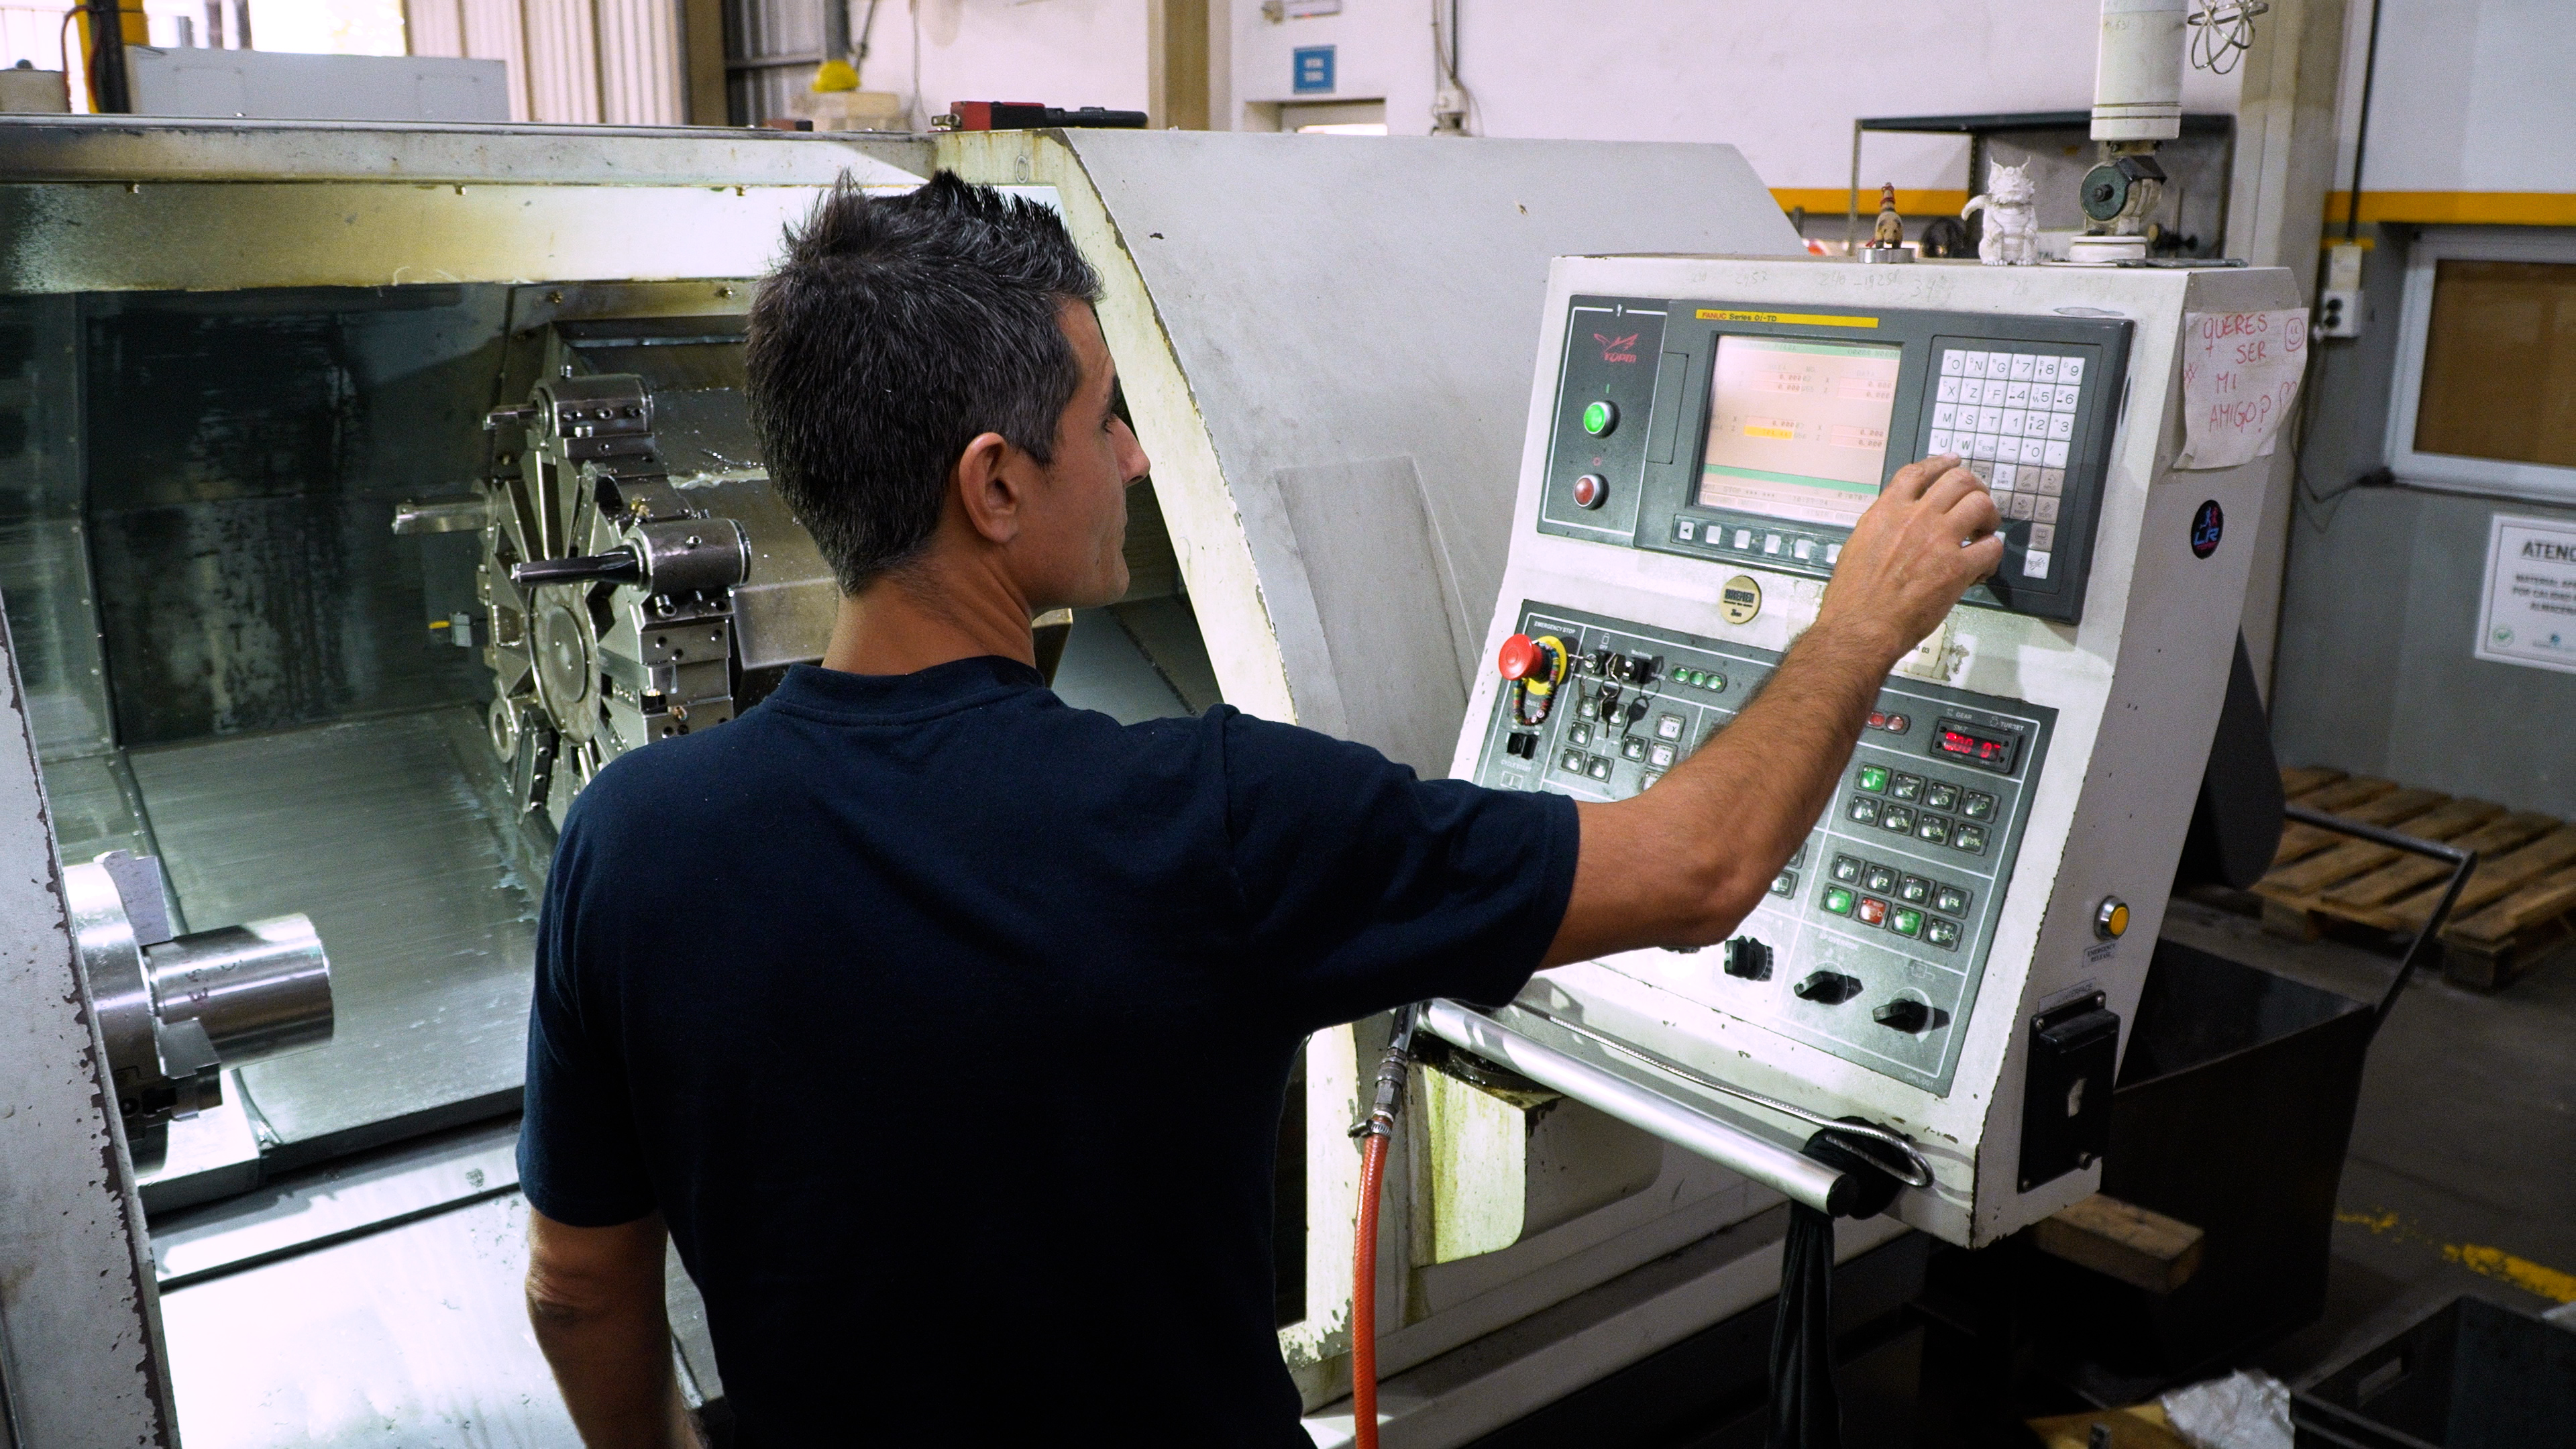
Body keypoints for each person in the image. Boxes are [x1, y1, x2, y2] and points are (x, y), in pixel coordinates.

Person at [517, 173, 2002, 1448]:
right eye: (1106, 419)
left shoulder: (630, 842)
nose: (1137, 457)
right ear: (995, 487)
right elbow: (1698, 868)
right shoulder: (1211, 817)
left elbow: (577, 1286)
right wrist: (1855, 627)